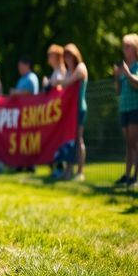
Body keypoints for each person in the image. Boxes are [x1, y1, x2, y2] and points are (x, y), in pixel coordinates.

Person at [114, 34, 138, 189]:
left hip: (136, 108)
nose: (125, 49)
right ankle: (127, 176)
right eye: (124, 46)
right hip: (125, 108)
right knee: (128, 143)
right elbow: (118, 91)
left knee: (134, 143)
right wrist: (117, 77)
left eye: (127, 46)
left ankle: (135, 177)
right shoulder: (125, 66)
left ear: (136, 48)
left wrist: (127, 73)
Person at [57, 44, 88, 181]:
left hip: (79, 108)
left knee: (79, 139)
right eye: (65, 55)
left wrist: (58, 81)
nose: (67, 58)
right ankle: (68, 170)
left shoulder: (80, 67)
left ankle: (80, 172)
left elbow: (67, 82)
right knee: (68, 140)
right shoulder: (68, 71)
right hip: (69, 110)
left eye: (69, 55)